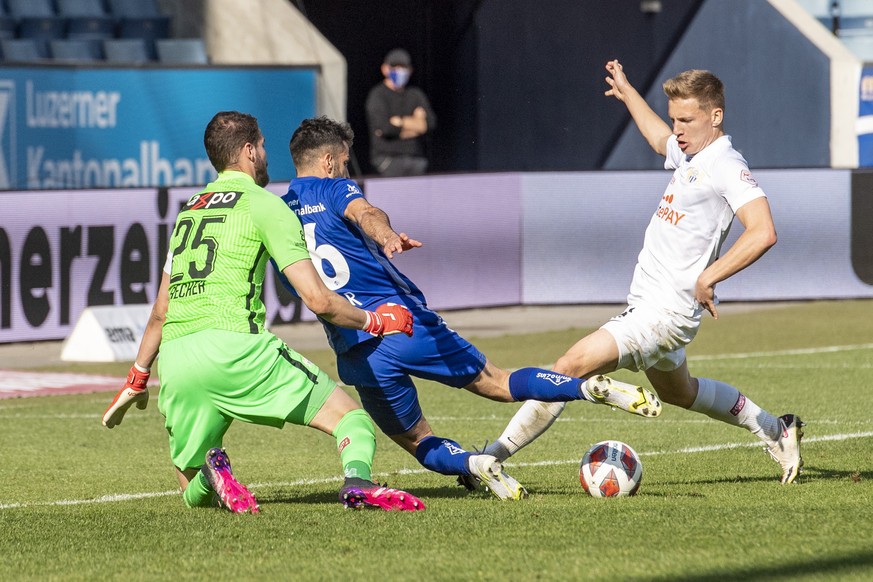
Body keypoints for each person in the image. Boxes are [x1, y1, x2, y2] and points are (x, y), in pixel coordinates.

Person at [277, 115, 663, 501]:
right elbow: (365, 213)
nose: (346, 169)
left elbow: (293, 285)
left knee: (417, 441)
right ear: (329, 162)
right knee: (498, 382)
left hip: (354, 347)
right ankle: (584, 388)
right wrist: (387, 234)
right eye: (344, 162)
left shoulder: (279, 210)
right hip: (400, 323)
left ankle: (474, 464)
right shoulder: (334, 188)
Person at [478, 60, 804, 485]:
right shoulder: (691, 153)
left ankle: (490, 458)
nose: (678, 129)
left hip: (662, 314)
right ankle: (778, 433)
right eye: (675, 119)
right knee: (680, 393)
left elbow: (763, 231)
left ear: (716, 116)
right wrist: (629, 91)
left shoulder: (725, 163)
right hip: (656, 308)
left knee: (568, 366)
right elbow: (656, 138)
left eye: (686, 120)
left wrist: (710, 277)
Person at [101, 111, 425, 513]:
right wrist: (378, 320)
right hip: (238, 349)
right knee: (351, 420)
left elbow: (160, 312)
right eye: (264, 146)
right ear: (249, 150)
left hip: (179, 360)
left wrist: (137, 376)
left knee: (191, 490)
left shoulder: (189, 212)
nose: (268, 155)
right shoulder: (267, 206)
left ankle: (211, 472)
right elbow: (319, 300)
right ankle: (357, 482)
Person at [365, 48, 436, 177]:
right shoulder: (378, 95)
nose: (400, 71)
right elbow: (385, 128)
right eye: (395, 67)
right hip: (388, 160)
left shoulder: (415, 95)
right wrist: (416, 124)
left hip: (416, 159)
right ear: (385, 69)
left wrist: (400, 122)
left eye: (404, 67)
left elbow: (429, 124)